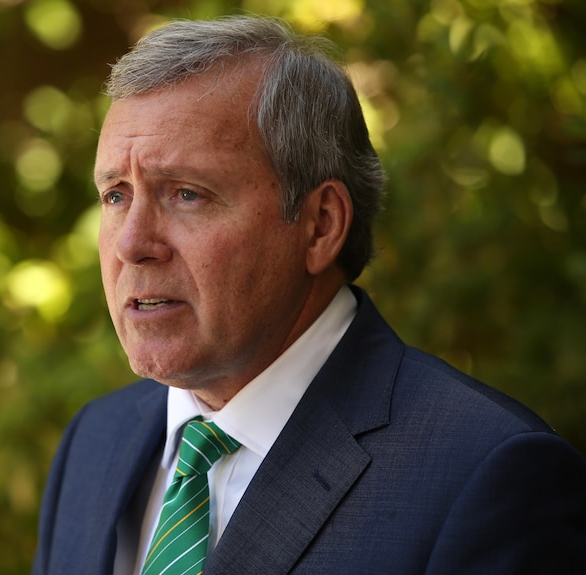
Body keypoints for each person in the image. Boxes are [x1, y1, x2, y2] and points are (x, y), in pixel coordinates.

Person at [32, 15, 586, 575]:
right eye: (116, 195)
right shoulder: (94, 441)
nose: (131, 244)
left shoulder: (486, 476)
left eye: (186, 194)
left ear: (321, 224)